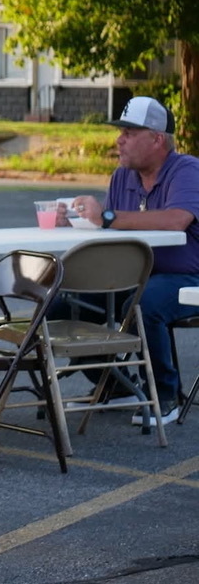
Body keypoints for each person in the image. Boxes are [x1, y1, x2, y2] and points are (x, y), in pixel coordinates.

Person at [57, 95, 199, 426]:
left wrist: (104, 216)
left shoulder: (188, 170)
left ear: (156, 139)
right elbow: (113, 231)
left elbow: (176, 220)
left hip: (189, 277)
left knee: (143, 303)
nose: (119, 139)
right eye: (120, 131)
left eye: (129, 132)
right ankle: (115, 382)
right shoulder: (122, 176)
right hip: (138, 276)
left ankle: (165, 394)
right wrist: (77, 220)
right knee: (64, 303)